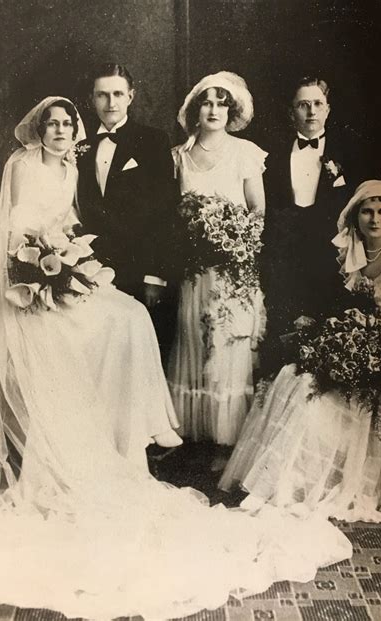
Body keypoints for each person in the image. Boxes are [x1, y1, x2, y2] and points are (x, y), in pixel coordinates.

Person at [0, 96, 353, 620]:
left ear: (73, 130)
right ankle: (91, 436)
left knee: (128, 316)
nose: (59, 130)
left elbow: (73, 223)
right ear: (38, 129)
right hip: (28, 278)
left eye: (65, 123)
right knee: (88, 325)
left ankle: (138, 429)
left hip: (60, 268)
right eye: (51, 124)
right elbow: (11, 233)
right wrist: (41, 275)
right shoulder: (21, 164)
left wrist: (74, 264)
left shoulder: (71, 164)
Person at [220, 180, 381, 527]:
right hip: (352, 341)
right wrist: (332, 336)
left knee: (316, 402)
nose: (375, 218)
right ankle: (282, 483)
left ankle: (305, 482)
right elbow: (343, 306)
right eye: (367, 211)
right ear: (356, 216)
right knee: (294, 379)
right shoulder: (351, 251)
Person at [167, 72, 267, 464]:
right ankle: (195, 437)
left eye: (221, 103)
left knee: (228, 345)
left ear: (232, 110)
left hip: (233, 268)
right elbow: (172, 215)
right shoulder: (179, 156)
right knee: (193, 340)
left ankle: (227, 440)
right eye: (206, 102)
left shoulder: (246, 152)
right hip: (194, 270)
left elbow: (258, 210)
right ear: (195, 111)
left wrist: (237, 240)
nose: (214, 110)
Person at [261, 76, 370, 374]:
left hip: (329, 257)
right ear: (291, 112)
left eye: (317, 104)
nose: (311, 111)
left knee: (326, 338)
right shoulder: (273, 155)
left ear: (328, 110)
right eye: (303, 105)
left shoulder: (347, 153)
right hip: (286, 257)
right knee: (285, 341)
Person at [76, 62, 179, 364]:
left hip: (140, 267)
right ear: (92, 99)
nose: (110, 103)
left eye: (117, 94)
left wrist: (155, 275)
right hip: (93, 271)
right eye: (102, 95)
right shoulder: (79, 147)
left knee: (139, 360)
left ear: (131, 97)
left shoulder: (153, 141)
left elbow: (165, 212)